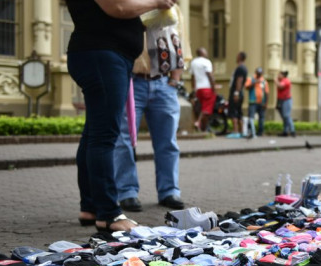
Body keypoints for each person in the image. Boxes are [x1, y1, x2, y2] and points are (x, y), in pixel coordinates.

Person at [67, 0, 176, 232]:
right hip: (102, 55)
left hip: (105, 55)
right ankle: (108, 214)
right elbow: (116, 7)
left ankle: (90, 207)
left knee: (94, 133)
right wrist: (156, 3)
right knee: (105, 136)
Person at [113, 3, 188, 213]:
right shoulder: (133, 5)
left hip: (163, 82)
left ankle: (169, 191)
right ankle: (127, 192)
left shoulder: (171, 9)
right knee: (124, 138)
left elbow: (182, 42)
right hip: (131, 81)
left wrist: (174, 80)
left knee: (168, 142)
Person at [191, 48, 217, 132]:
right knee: (206, 109)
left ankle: (203, 128)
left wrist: (194, 89)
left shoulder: (193, 62)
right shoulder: (206, 62)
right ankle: (198, 122)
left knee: (201, 107)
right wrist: (214, 87)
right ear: (202, 53)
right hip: (207, 88)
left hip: (198, 89)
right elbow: (209, 75)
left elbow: (193, 77)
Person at [227, 52, 248, 139]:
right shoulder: (244, 68)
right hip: (240, 92)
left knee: (233, 111)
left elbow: (239, 80)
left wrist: (236, 93)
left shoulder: (240, 68)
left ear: (240, 57)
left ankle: (235, 131)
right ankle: (241, 131)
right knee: (239, 112)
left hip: (236, 92)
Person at [245, 67, 270, 138]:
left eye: (260, 73)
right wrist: (255, 82)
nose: (259, 74)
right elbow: (246, 87)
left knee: (261, 118)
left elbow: (267, 93)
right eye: (258, 73)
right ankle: (250, 132)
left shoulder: (264, 81)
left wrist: (266, 103)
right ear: (256, 72)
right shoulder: (251, 79)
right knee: (251, 117)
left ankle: (260, 132)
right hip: (253, 102)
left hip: (261, 102)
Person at [276, 71, 296, 137]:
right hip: (281, 100)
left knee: (286, 116)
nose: (278, 75)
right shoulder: (281, 80)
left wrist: (275, 81)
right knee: (284, 117)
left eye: (279, 74)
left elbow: (280, 86)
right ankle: (285, 131)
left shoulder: (285, 80)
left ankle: (292, 130)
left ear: (283, 75)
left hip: (286, 100)